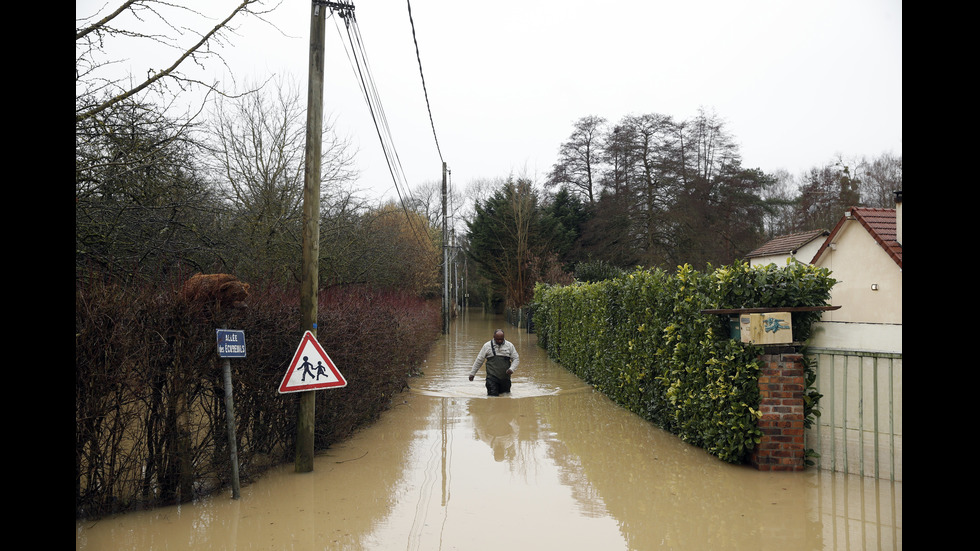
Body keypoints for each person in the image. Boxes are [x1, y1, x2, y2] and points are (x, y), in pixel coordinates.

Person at [468, 329, 520, 396]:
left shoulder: (510, 346)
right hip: (491, 378)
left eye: (501, 339)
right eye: (497, 339)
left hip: (505, 378)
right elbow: (479, 360)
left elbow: (516, 359)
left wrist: (512, 369)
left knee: (505, 397)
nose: (499, 341)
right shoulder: (487, 346)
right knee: (492, 397)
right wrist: (472, 373)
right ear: (494, 337)